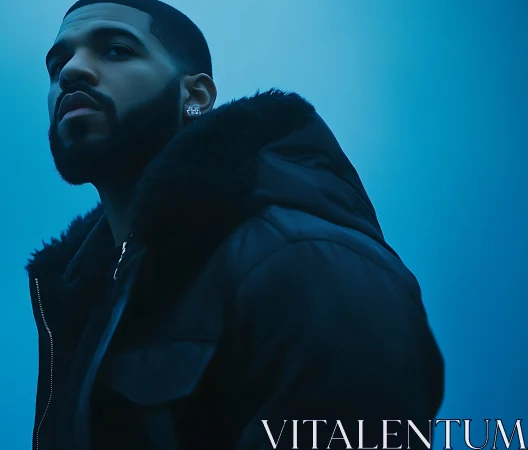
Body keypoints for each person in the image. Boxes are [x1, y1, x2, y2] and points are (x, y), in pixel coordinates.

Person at [25, 1, 445, 449]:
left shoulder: (299, 257)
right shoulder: (89, 304)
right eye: (57, 64)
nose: (71, 71)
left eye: (115, 50)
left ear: (197, 97)